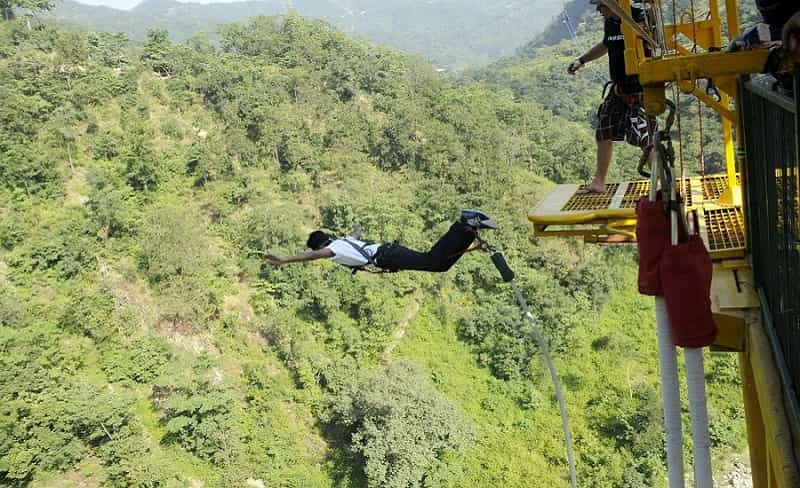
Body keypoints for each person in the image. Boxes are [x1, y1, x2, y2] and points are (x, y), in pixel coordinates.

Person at [567, 0, 656, 194]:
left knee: (645, 137)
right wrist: (582, 60)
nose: (599, 11)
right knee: (603, 131)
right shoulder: (610, 21)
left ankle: (660, 185)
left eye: (601, 6)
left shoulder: (640, 17)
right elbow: (607, 44)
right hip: (618, 89)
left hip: (640, 89)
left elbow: (655, 43)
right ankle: (599, 182)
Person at [263, 210, 497, 273]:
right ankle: (468, 231)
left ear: (320, 246)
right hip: (387, 254)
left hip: (387, 255)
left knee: (432, 261)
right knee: (440, 265)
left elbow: (312, 256)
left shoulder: (331, 251)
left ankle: (463, 224)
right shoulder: (342, 241)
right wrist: (356, 226)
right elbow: (355, 232)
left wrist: (283, 260)